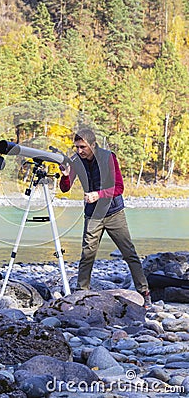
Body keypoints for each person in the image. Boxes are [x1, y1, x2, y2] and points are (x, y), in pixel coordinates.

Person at [59, 128, 152, 309]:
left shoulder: (108, 157)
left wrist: (99, 194)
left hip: (114, 213)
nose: (79, 151)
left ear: (93, 145)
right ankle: (81, 293)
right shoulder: (76, 160)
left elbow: (119, 187)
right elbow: (65, 187)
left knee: (129, 253)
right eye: (76, 147)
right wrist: (64, 175)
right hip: (92, 215)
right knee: (87, 255)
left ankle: (144, 293)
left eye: (83, 147)